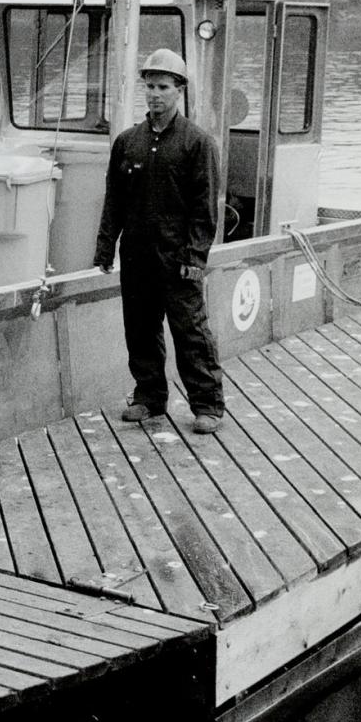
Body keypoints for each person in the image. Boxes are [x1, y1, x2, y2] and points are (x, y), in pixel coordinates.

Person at [93, 48, 226, 435]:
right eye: (149, 86)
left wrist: (195, 256)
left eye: (163, 87)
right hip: (136, 256)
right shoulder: (126, 142)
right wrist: (104, 249)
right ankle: (149, 397)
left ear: (179, 90)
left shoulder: (197, 143)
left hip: (178, 258)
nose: (155, 94)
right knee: (139, 328)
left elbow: (205, 208)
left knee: (191, 332)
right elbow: (114, 201)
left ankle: (207, 404)